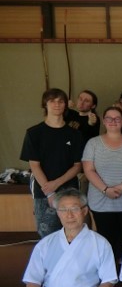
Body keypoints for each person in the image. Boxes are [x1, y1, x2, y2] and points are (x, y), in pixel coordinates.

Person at [20, 88, 84, 238]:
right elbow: (34, 165)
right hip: (43, 192)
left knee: (73, 234)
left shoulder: (75, 134)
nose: (57, 104)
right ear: (45, 104)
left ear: (65, 105)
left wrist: (56, 184)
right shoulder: (34, 133)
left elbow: (77, 166)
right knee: (47, 234)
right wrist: (50, 192)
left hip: (69, 191)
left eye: (60, 101)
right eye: (52, 101)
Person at [82, 107, 122, 261]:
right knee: (106, 240)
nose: (113, 121)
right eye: (109, 118)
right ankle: (108, 269)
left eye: (117, 118)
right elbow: (89, 170)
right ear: (104, 121)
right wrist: (105, 190)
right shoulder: (93, 143)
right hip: (100, 200)